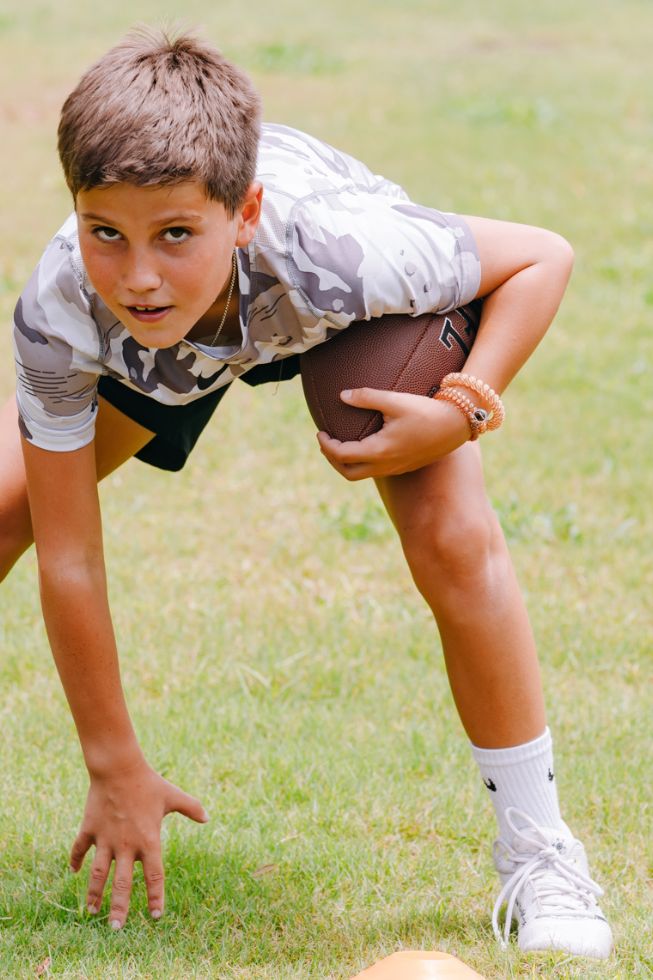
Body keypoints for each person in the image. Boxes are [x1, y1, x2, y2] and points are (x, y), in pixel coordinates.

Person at [3, 28, 612, 958]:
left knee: (446, 529)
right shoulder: (70, 306)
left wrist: (461, 410)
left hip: (325, 313)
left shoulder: (346, 251)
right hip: (167, 346)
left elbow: (543, 256)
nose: (136, 269)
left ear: (241, 211)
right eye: (104, 233)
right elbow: (71, 553)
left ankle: (540, 849)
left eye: (173, 232)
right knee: (9, 513)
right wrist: (113, 763)